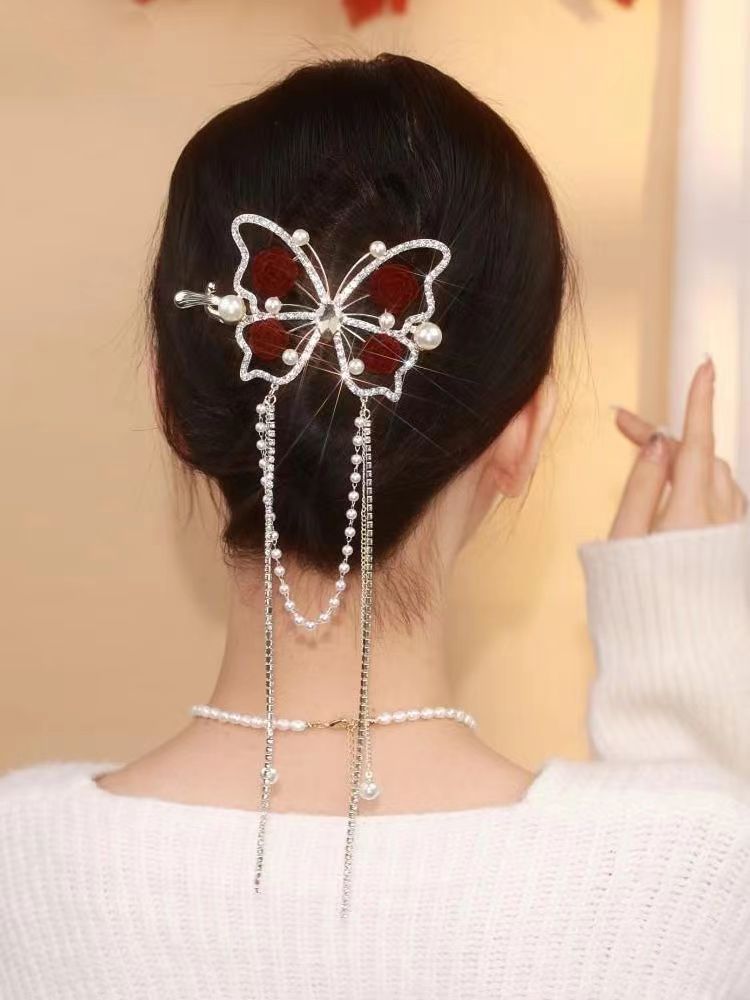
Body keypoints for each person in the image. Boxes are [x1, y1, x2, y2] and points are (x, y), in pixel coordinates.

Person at [1, 54, 749, 1000]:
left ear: (171, 406)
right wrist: (683, 685)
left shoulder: (20, 869)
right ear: (524, 433)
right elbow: (684, 906)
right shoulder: (693, 868)